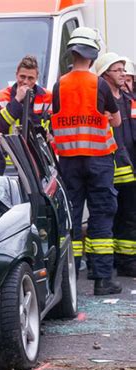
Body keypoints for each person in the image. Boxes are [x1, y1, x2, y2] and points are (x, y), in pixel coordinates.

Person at [51, 27, 122, 296]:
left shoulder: (60, 85)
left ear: (72, 53)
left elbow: (56, 119)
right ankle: (103, 280)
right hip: (99, 160)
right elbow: (115, 120)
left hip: (69, 161)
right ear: (92, 56)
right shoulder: (99, 85)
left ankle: (69, 279)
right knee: (101, 217)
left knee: (71, 219)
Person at [95, 53, 136, 277]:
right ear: (105, 75)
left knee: (128, 214)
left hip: (129, 166)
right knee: (106, 213)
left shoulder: (129, 101)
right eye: (117, 70)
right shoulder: (99, 102)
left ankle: (127, 261)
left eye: (123, 70)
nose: (123, 74)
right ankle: (101, 263)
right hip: (105, 166)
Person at [0, 55, 52, 135]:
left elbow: (57, 127)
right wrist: (17, 100)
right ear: (16, 75)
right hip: (12, 146)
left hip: (39, 147)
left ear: (36, 78)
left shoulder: (49, 97)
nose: (25, 82)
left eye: (30, 78)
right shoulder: (1, 97)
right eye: (22, 77)